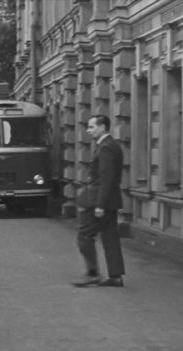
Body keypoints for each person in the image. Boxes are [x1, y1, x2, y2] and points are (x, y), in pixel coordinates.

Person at [74, 115, 125, 288]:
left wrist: (100, 205)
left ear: (102, 127)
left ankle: (92, 274)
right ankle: (116, 276)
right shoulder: (109, 145)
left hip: (99, 201)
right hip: (110, 200)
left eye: (91, 127)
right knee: (110, 237)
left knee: (84, 235)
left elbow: (106, 178)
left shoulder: (105, 148)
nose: (88, 131)